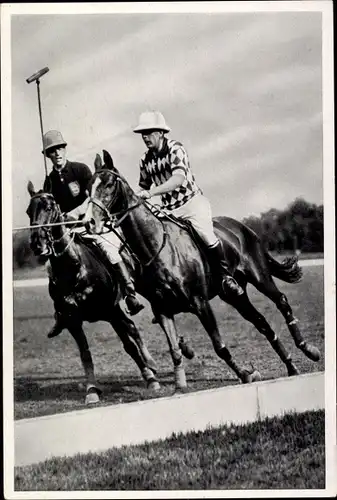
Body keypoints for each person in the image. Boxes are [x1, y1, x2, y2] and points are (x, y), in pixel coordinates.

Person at [42, 130, 144, 337]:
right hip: (67, 232)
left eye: (60, 148)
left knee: (110, 249)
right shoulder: (49, 181)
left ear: (65, 149)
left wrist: (72, 214)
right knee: (50, 267)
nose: (57, 153)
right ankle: (60, 313)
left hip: (89, 223)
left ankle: (129, 294)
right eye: (52, 151)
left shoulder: (80, 170)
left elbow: (93, 198)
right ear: (48, 155)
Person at [134, 111, 244, 299]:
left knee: (205, 234)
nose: (145, 136)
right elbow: (143, 186)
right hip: (169, 210)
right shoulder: (144, 159)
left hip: (192, 204)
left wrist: (151, 193)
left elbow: (178, 179)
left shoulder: (175, 148)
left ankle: (227, 277)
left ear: (160, 132)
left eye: (149, 132)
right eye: (142, 133)